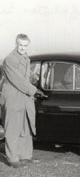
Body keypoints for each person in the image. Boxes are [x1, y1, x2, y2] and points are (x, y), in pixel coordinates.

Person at [1, 34, 44, 168]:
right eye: (21, 45)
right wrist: (34, 90)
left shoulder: (26, 59)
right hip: (13, 97)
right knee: (13, 128)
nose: (23, 48)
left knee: (26, 127)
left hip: (24, 97)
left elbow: (26, 76)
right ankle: (13, 158)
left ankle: (25, 155)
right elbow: (17, 79)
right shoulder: (10, 60)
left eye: (25, 46)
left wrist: (35, 77)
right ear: (16, 44)